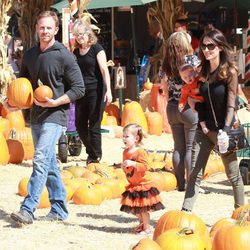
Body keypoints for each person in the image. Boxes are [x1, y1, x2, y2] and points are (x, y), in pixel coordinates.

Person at [9, 11, 85, 225]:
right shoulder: (31, 55)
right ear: (36, 29)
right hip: (36, 115)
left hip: (55, 115)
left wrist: (56, 101)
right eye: (41, 27)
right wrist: (12, 101)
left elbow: (79, 88)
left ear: (56, 30)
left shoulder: (64, 55)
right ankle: (59, 208)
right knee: (49, 163)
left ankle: (28, 208)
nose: (45, 31)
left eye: (49, 28)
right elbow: (23, 85)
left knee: (40, 159)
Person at [181, 29, 245, 212]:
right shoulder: (201, 71)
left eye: (211, 46)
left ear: (220, 48)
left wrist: (225, 130)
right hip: (204, 129)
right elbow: (199, 98)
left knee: (233, 175)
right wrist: (192, 102)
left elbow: (231, 104)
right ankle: (186, 212)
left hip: (223, 131)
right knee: (195, 173)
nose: (207, 49)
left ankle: (240, 213)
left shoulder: (229, 72)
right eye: (204, 46)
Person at [162, 32, 200, 192]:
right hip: (188, 107)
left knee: (178, 147)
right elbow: (201, 79)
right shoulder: (192, 60)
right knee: (191, 147)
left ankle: (180, 183)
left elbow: (164, 88)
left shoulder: (166, 64)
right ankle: (192, 185)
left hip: (172, 107)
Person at [72, 19, 112, 165]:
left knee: (94, 124)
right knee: (79, 125)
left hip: (96, 90)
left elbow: (104, 70)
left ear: (88, 33)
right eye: (76, 35)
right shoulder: (76, 51)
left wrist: (108, 91)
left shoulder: (97, 48)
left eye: (81, 34)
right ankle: (92, 151)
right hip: (81, 92)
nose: (79, 37)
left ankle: (95, 157)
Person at [120, 123, 164, 235]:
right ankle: (141, 224)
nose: (124, 138)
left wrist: (133, 163)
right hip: (133, 184)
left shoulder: (140, 152)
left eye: (127, 136)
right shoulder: (125, 152)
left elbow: (145, 167)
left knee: (143, 209)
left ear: (136, 138)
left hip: (143, 184)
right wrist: (123, 166)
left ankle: (147, 228)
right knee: (135, 209)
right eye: (123, 136)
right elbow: (128, 169)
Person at [178, 63, 208, 134]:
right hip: (198, 102)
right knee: (200, 108)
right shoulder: (185, 88)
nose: (188, 78)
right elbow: (183, 98)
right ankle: (203, 125)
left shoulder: (198, 79)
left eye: (190, 75)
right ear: (182, 78)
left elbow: (204, 78)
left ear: (194, 73)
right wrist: (181, 105)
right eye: (185, 78)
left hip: (206, 100)